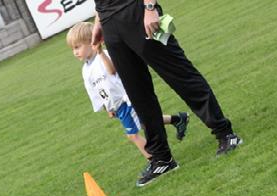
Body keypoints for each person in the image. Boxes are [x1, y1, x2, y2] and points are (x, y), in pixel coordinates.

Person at [91, 0, 242, 186]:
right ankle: (162, 160)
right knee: (138, 95)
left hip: (138, 12)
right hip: (110, 24)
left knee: (181, 75)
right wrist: (99, 21)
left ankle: (225, 134)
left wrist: (150, 8)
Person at [67, 21, 189, 161]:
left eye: (77, 47)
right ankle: (178, 119)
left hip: (126, 101)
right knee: (145, 122)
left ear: (91, 42)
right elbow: (95, 90)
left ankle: (156, 160)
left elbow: (112, 71)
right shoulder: (86, 69)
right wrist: (107, 106)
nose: (75, 52)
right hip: (116, 105)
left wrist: (100, 52)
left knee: (133, 135)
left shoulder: (105, 55)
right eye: (72, 49)